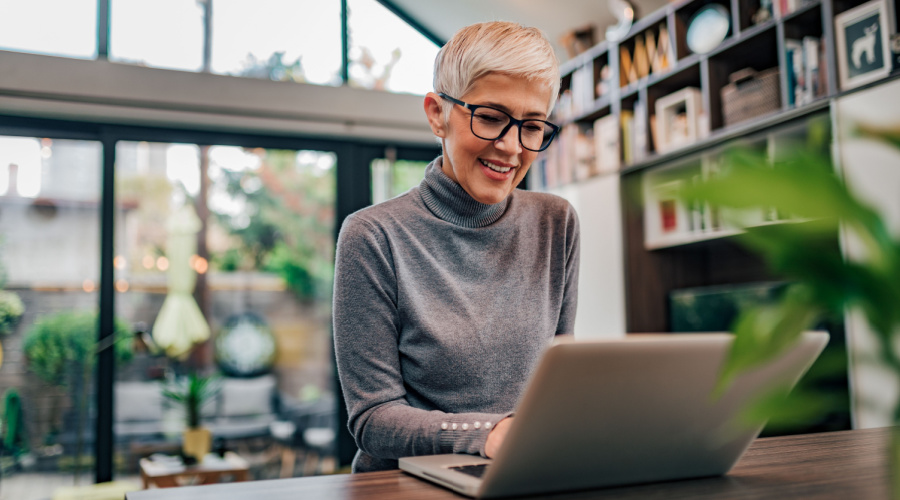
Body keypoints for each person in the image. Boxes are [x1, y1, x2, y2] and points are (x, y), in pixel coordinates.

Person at [333, 21, 580, 473]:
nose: (510, 147)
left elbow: (558, 382)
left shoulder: (555, 222)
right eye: (490, 117)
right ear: (436, 113)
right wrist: (486, 434)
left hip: (521, 474)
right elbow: (372, 420)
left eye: (532, 126)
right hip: (406, 484)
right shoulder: (372, 236)